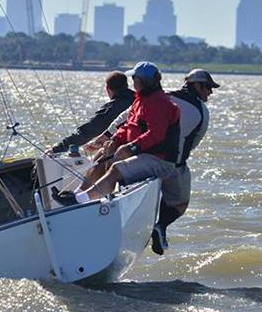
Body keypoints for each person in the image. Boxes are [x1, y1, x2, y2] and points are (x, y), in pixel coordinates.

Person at [86, 68, 219, 255]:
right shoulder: (201, 112)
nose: (210, 92)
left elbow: (127, 118)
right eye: (207, 87)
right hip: (170, 165)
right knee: (180, 203)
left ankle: (83, 198)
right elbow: (191, 145)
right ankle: (161, 226)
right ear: (195, 85)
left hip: (140, 154)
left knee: (103, 158)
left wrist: (107, 137)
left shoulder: (162, 97)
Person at [52, 62, 180, 205]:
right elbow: (127, 126)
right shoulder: (140, 100)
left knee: (116, 168)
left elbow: (156, 135)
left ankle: (80, 200)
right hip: (142, 153)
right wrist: (114, 140)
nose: (133, 82)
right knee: (103, 154)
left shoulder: (160, 103)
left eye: (134, 79)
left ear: (142, 81)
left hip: (159, 159)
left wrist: (131, 147)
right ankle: (77, 193)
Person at [47, 71, 134, 154]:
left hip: (126, 151)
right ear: (126, 85)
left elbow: (87, 132)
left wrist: (56, 149)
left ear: (108, 89)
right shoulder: (139, 99)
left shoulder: (111, 109)